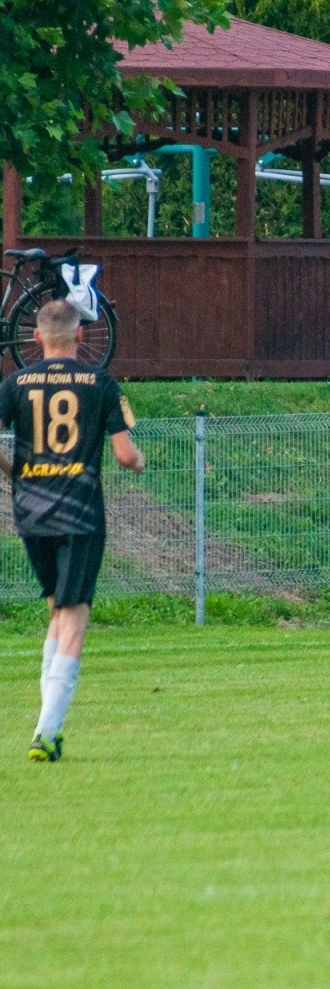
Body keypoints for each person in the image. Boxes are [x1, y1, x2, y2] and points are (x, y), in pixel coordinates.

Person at [0, 299, 145, 762]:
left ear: (37, 338)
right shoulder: (100, 383)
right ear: (80, 336)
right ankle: (45, 730)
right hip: (79, 513)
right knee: (76, 616)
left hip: (30, 512)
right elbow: (124, 455)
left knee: (57, 614)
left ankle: (48, 725)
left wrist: (16, 472)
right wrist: (139, 460)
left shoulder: (14, 383)